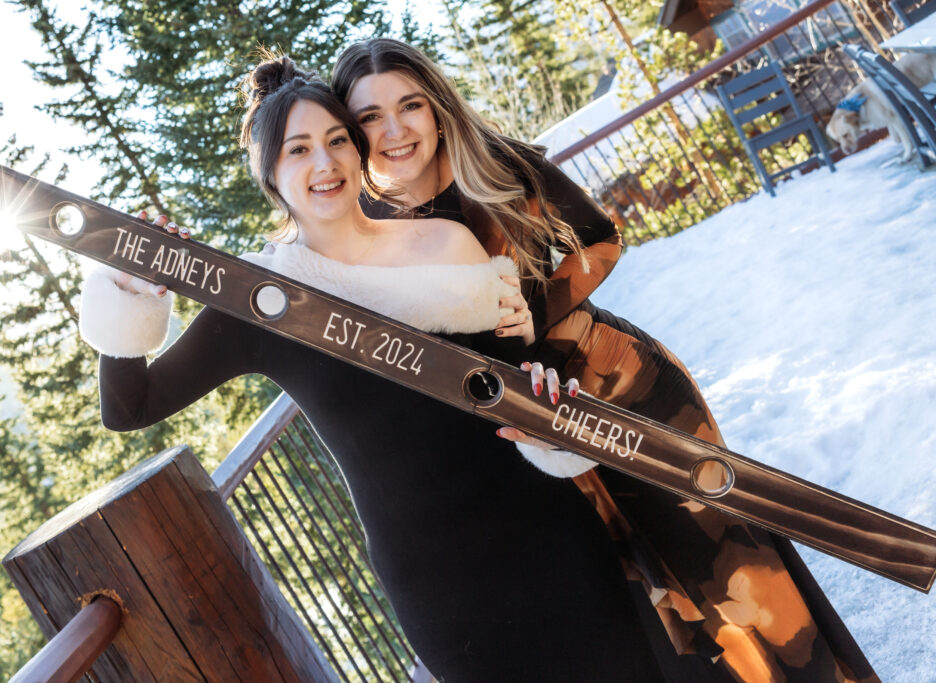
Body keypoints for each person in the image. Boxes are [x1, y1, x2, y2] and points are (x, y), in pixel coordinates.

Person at [81, 55, 685, 681]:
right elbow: (131, 408)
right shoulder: (260, 299)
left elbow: (517, 374)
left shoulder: (443, 242)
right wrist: (129, 291)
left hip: (551, 534)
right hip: (442, 589)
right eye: (298, 150)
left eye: (337, 139)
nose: (325, 162)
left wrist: (548, 403)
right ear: (270, 174)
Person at [331, 38, 878, 682]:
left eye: (410, 105)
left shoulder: (489, 163)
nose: (394, 130)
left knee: (732, 571)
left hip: (621, 383)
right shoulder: (365, 223)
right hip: (540, 425)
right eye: (370, 117)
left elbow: (600, 239)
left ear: (437, 106)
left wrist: (537, 309)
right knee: (653, 602)